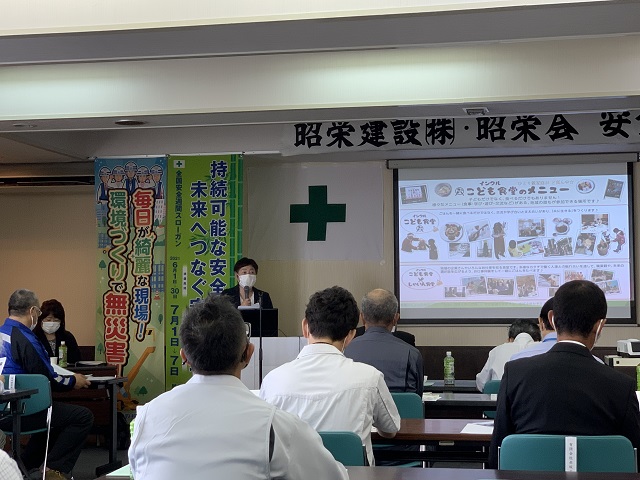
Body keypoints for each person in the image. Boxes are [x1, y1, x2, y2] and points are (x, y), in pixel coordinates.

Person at [129, 294, 347, 480]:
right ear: (248, 353)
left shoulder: (146, 418)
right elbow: (334, 476)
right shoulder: (276, 427)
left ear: (184, 357)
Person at [488, 280, 640, 468]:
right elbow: (633, 460)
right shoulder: (622, 386)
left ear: (551, 319)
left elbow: (498, 454)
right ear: (600, 325)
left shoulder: (515, 374)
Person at [260, 286, 400, 466]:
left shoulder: (273, 380)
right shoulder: (370, 377)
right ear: (351, 335)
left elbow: (263, 438)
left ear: (305, 327)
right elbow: (391, 429)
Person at [0, 289, 93, 480]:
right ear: (33, 311)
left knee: (55, 418)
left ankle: (23, 467)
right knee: (82, 417)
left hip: (3, 409)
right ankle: (53, 470)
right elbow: (47, 377)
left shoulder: (2, 333)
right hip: (22, 410)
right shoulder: (25, 338)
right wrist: (74, 380)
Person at [345, 289, 424, 396]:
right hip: (400, 408)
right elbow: (417, 398)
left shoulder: (345, 351)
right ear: (395, 319)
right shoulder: (412, 354)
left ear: (362, 318)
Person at [475, 319, 540, 392]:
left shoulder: (497, 351)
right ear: (538, 339)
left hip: (499, 398)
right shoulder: (544, 349)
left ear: (510, 339)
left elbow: (482, 383)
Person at [33, 299, 82, 365]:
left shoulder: (68, 337)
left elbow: (76, 361)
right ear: (41, 319)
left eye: (56, 320)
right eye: (48, 320)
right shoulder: (33, 336)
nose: (52, 323)